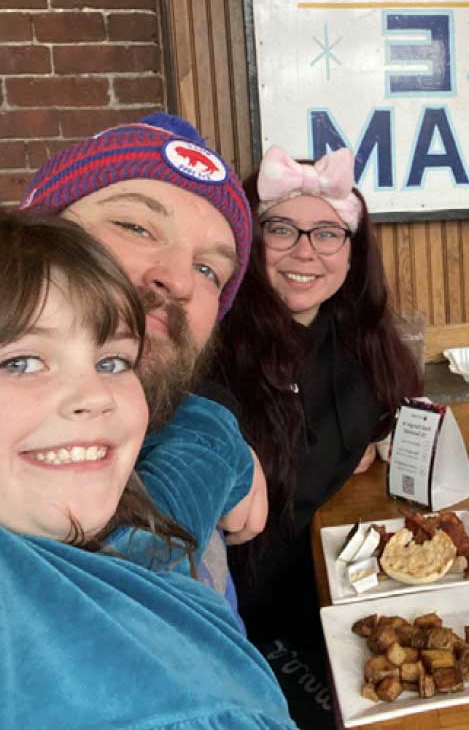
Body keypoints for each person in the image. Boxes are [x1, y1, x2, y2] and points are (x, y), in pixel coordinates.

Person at [0, 209, 297, 729]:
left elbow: (184, 481)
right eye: (20, 362)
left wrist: (221, 430)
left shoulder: (134, 511)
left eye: (113, 362)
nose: (94, 395)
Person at [20, 112, 266, 607]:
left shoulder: (159, 423)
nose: (178, 279)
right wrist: (212, 443)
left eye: (208, 269)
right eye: (136, 227)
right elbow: (107, 594)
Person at [211, 146, 422, 649]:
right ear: (247, 242)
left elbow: (386, 416)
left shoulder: (360, 341)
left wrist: (371, 441)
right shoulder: (211, 354)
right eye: (280, 229)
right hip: (247, 635)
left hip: (338, 607)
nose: (305, 252)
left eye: (327, 233)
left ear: (352, 252)